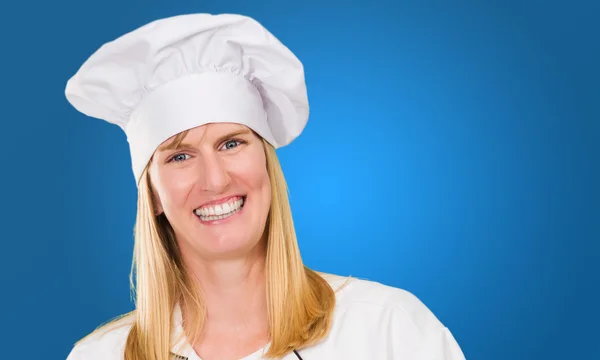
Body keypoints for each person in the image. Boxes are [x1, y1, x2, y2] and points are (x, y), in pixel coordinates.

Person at [64, 13, 466, 360]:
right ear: (151, 193)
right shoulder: (100, 355)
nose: (216, 179)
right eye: (180, 156)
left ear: (268, 166)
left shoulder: (386, 329)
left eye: (232, 143)